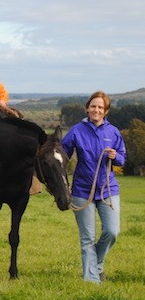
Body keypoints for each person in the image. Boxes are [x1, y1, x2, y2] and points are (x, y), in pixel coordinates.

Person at [61, 91, 126, 284]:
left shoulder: (113, 132)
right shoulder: (77, 130)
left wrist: (116, 156)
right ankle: (91, 281)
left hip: (108, 190)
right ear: (87, 108)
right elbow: (62, 155)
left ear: (105, 111)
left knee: (112, 231)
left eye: (100, 107)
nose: (96, 110)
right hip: (82, 191)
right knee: (87, 238)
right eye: (93, 106)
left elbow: (122, 158)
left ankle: (96, 266)